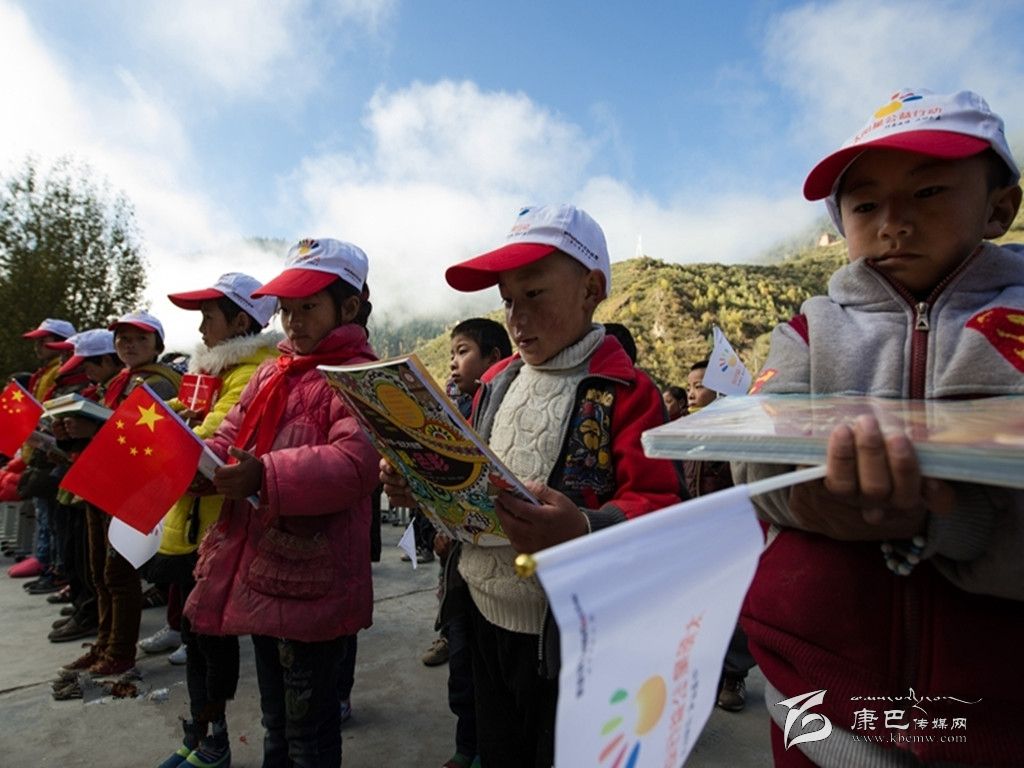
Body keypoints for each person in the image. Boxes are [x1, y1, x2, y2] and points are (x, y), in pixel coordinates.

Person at [733, 88, 1024, 766]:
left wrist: (948, 523)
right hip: (815, 700)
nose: (894, 222)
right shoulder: (808, 332)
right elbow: (751, 464)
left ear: (1000, 207)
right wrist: (812, 502)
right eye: (865, 205)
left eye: (928, 192)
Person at [382, 204, 683, 767]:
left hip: (565, 638)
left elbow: (661, 507)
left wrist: (583, 529)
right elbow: (471, 472)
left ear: (591, 290)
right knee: (498, 749)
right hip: (479, 611)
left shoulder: (625, 391)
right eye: (508, 300)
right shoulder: (498, 381)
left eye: (535, 294)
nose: (517, 318)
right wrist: (420, 485)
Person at [184, 238, 379, 768]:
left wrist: (264, 474)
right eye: (287, 309)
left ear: (349, 307)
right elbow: (231, 434)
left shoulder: (360, 378)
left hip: (313, 576)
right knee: (275, 720)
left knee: (308, 730)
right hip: (263, 569)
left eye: (308, 307)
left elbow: (355, 464)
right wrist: (202, 465)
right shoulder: (273, 371)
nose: (293, 321)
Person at [146, 273, 280, 768]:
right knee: (194, 636)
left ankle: (215, 740)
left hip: (215, 531)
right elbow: (183, 418)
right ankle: (199, 734)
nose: (202, 328)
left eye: (209, 317)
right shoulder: (209, 371)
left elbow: (210, 443)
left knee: (211, 640)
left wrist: (164, 430)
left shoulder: (250, 374)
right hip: (189, 525)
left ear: (241, 321)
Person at [61, 311, 181, 678]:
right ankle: (103, 642)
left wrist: (92, 430)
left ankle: (119, 651)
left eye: (140, 339)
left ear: (158, 345)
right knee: (99, 571)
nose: (129, 345)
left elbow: (140, 439)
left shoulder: (158, 383)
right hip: (104, 484)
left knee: (119, 574)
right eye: (123, 339)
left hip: (131, 490)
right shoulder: (121, 381)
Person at [426, 317, 513, 768]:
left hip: (497, 566)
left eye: (463, 351)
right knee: (463, 667)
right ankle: (466, 746)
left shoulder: (505, 407)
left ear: (494, 359)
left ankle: (483, 749)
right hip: (458, 565)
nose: (453, 362)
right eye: (452, 354)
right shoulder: (453, 410)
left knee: (492, 675)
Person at [681, 358, 754, 712]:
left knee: (735, 606)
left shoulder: (736, 429)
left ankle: (734, 675)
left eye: (699, 386)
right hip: (691, 530)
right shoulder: (684, 427)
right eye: (689, 386)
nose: (691, 392)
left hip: (729, 530)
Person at [8, 318, 76, 581]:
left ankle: (50, 562)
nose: (38, 346)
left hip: (53, 452)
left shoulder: (56, 374)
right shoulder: (45, 373)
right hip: (40, 449)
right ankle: (46, 558)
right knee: (45, 513)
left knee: (54, 516)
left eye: (44, 340)